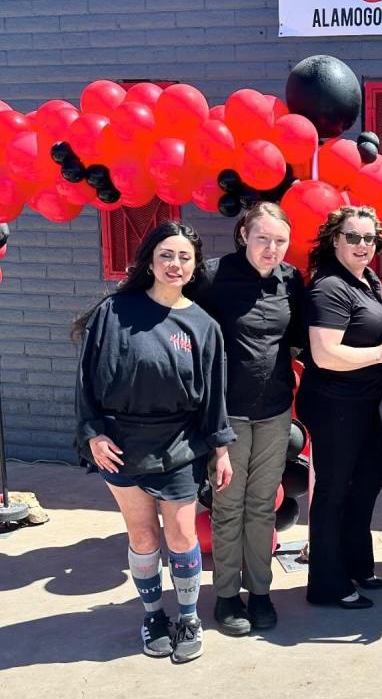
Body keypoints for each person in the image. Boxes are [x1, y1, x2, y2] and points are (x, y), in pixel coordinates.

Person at [74, 221, 235, 664]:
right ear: (149, 259)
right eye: (166, 254)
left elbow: (214, 398)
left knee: (182, 535)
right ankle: (152, 614)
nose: (175, 264)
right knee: (143, 535)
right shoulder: (115, 312)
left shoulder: (204, 326)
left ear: (195, 265)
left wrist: (220, 450)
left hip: (180, 443)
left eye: (185, 257)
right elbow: (86, 379)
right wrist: (93, 433)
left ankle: (187, 615)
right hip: (120, 443)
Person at [189, 202, 305, 636]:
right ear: (243, 236)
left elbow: (295, 343)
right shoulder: (213, 277)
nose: (271, 248)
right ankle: (224, 596)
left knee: (261, 507)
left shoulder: (291, 280)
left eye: (280, 241)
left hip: (275, 412)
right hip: (226, 416)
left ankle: (260, 593)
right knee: (227, 505)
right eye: (263, 239)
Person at [297, 204, 382, 608]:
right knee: (334, 491)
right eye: (353, 237)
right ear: (336, 240)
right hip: (333, 404)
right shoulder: (330, 287)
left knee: (367, 481)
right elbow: (325, 354)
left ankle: (357, 565)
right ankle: (328, 584)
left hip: (362, 403)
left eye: (369, 238)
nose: (363, 245)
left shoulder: (366, 281)